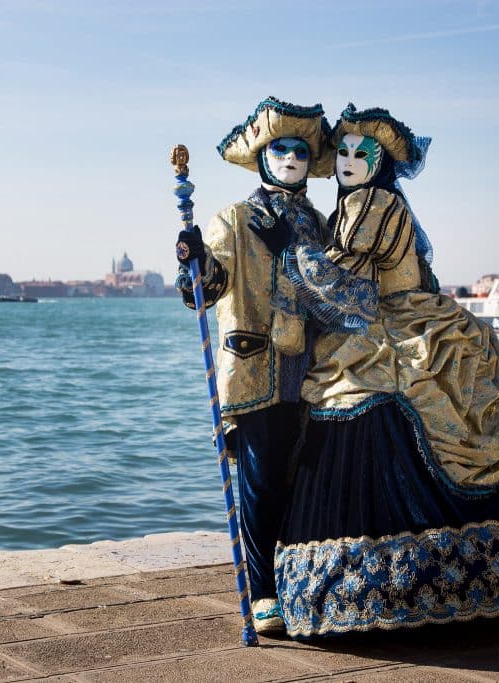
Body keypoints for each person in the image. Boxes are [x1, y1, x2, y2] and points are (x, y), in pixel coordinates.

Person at [273, 104, 499, 638]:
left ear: (380, 163)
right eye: (341, 152)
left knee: (373, 400)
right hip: (407, 318)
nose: (346, 162)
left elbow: (348, 273)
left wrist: (294, 254)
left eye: (358, 154)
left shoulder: (372, 202)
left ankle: (384, 586)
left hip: (397, 328)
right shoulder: (373, 203)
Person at [175, 97, 374, 633]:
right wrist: (193, 259)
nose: (289, 156)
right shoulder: (235, 219)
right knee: (261, 482)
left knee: (307, 478)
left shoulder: (322, 226)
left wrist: (299, 255)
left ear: (312, 161)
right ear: (263, 157)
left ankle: (299, 581)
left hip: (316, 372)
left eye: (299, 149)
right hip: (255, 367)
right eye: (278, 147)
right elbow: (205, 290)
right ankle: (263, 593)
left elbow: (345, 300)